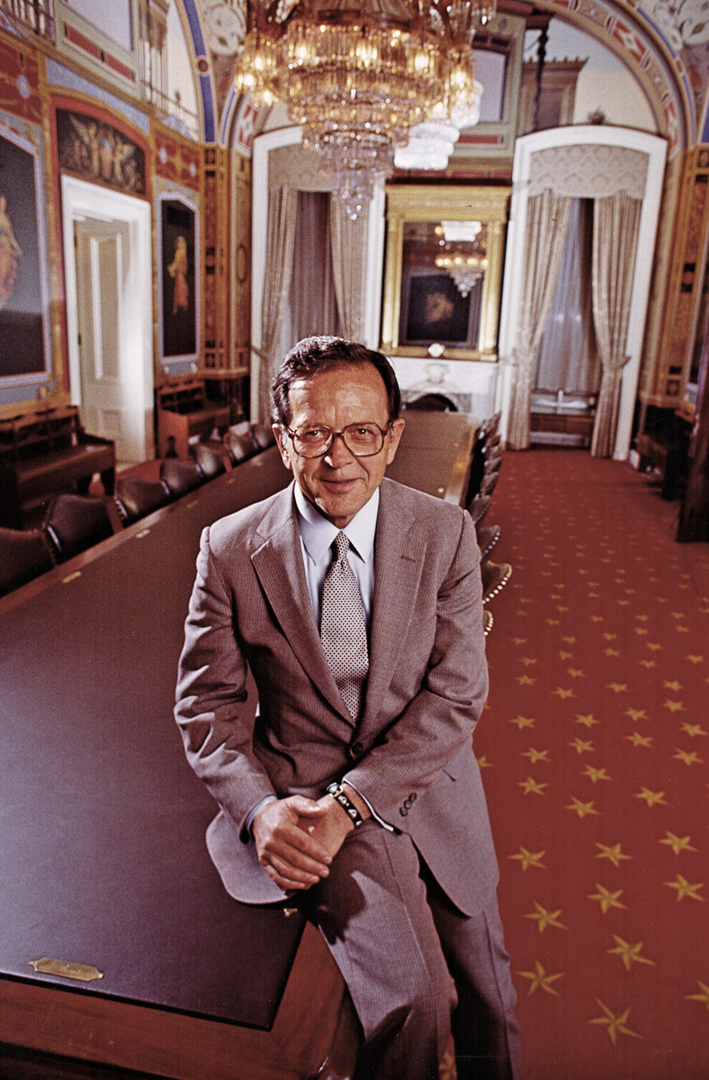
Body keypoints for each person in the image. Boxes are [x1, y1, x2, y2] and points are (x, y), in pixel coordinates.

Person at [175, 336, 520, 1080]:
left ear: (392, 438)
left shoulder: (444, 534)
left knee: (492, 997)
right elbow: (207, 706)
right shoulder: (229, 548)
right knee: (418, 1004)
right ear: (281, 439)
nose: (338, 458)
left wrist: (356, 802)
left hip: (428, 783)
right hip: (308, 802)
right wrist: (261, 812)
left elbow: (457, 693)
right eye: (314, 434)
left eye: (362, 432)